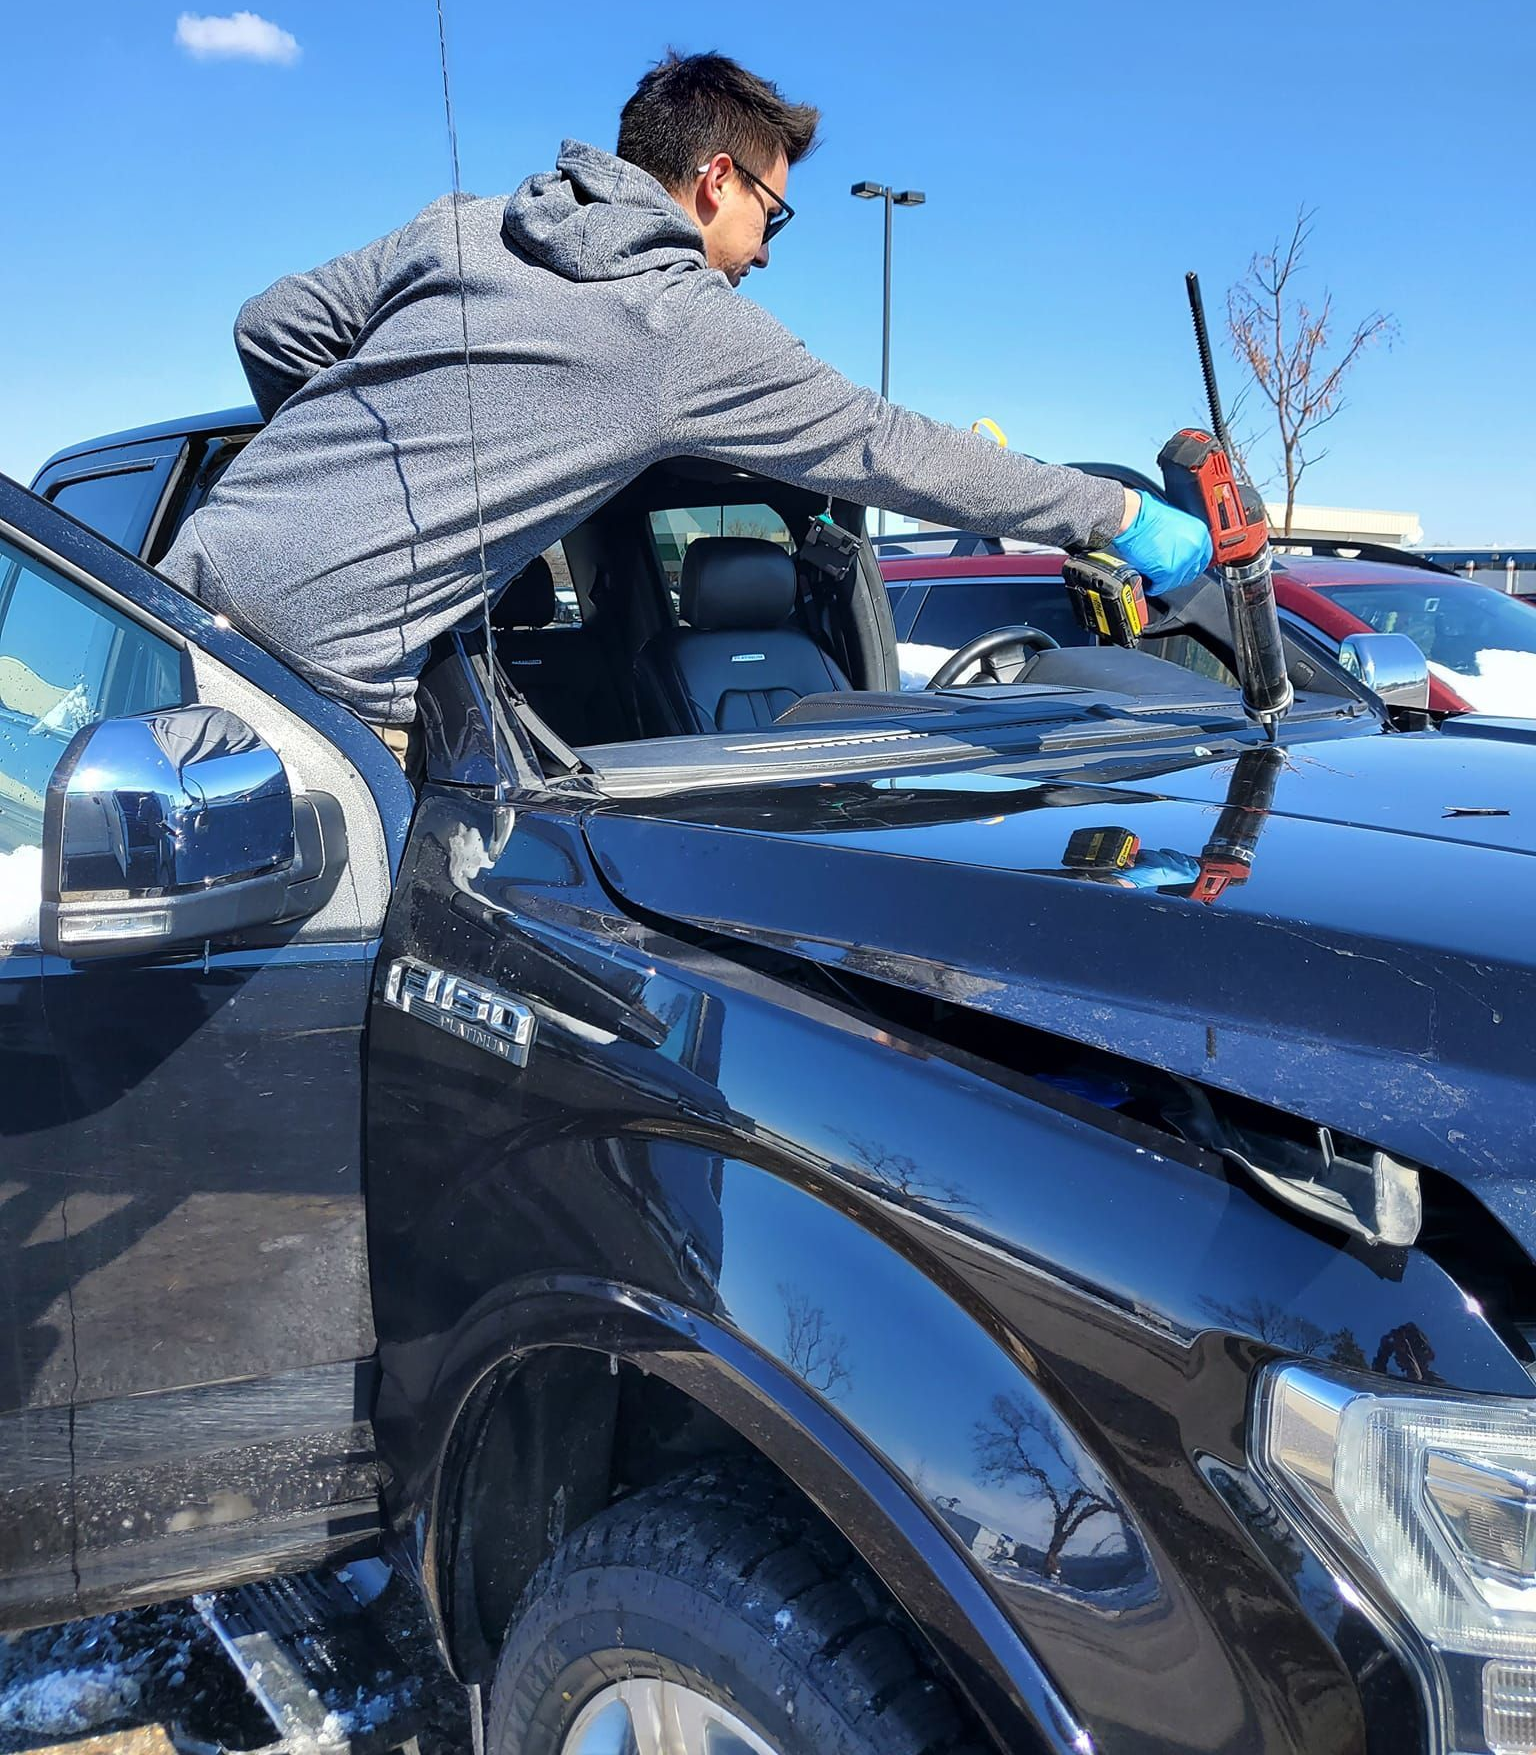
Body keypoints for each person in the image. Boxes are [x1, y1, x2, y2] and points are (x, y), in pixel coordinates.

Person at [159, 51, 1211, 746]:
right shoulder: (678, 324)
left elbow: (272, 328)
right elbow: (892, 449)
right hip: (306, 705)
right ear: (717, 181)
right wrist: (1114, 512)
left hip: (155, 609)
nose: (763, 255)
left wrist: (350, 471)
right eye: (774, 218)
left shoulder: (463, 226)